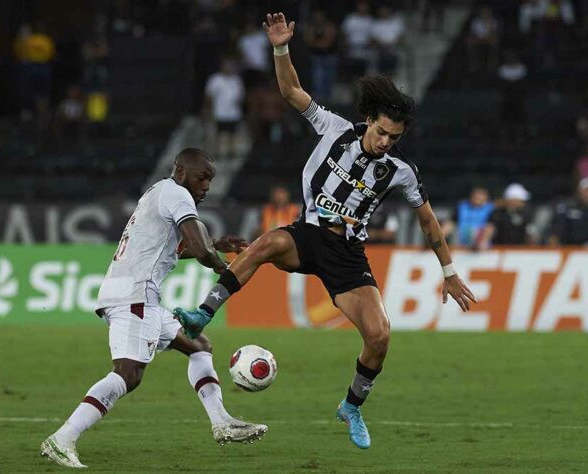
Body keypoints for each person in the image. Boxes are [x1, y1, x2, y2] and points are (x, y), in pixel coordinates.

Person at [174, 13, 477, 451]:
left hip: (348, 256)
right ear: (368, 119)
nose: (386, 142)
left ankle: (352, 406)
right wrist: (281, 47)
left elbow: (428, 221)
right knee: (267, 242)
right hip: (307, 234)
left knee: (380, 337)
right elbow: (290, 90)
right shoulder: (333, 128)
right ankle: (203, 313)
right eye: (381, 132)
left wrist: (449, 271)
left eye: (394, 137)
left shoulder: (401, 172)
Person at [40, 148, 267, 469]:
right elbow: (199, 249)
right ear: (181, 171)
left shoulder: (160, 192)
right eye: (202, 177)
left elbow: (173, 247)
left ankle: (222, 421)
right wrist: (223, 267)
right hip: (134, 294)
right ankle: (62, 439)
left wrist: (217, 244)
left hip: (136, 294)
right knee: (128, 374)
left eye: (211, 180)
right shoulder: (177, 194)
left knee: (198, 345)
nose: (206, 186)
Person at [477, 183, 534, 249]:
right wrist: (484, 241)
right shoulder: (498, 213)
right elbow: (490, 229)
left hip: (519, 251)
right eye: (520, 199)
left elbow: (529, 233)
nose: (522, 202)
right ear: (513, 199)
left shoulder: (524, 213)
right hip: (500, 249)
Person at [548, 178, 588, 246]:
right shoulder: (569, 207)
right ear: (579, 192)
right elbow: (557, 228)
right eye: (586, 191)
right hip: (569, 246)